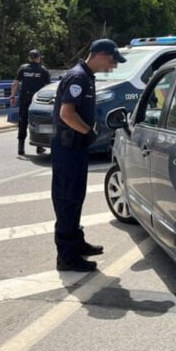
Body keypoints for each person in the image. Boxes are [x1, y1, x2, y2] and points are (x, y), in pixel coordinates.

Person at [52, 39, 127, 272]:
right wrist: (89, 131)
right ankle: (67, 257)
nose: (112, 66)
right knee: (67, 199)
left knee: (75, 197)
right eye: (112, 61)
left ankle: (76, 243)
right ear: (101, 55)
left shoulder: (86, 77)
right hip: (68, 149)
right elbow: (66, 113)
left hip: (75, 148)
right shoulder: (78, 77)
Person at [10, 49, 51, 156]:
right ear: (39, 58)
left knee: (22, 121)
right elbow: (48, 88)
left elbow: (15, 84)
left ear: (29, 58)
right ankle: (39, 146)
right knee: (40, 121)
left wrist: (12, 96)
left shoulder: (23, 69)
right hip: (38, 101)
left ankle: (21, 147)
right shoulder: (44, 70)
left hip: (24, 99)